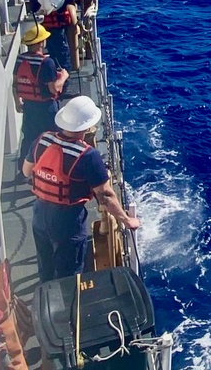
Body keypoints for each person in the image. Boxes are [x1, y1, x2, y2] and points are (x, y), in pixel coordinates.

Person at [23, 95, 140, 283]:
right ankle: (68, 310)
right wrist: (127, 220)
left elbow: (26, 171)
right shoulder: (88, 156)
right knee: (68, 273)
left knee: (45, 267)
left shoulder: (42, 140)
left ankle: (46, 302)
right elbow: (106, 196)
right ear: (86, 128)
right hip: (68, 221)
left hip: (39, 213)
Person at [13, 23, 68, 162]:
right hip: (47, 108)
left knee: (29, 138)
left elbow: (15, 84)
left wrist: (17, 103)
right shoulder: (47, 62)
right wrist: (64, 76)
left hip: (29, 106)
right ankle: (53, 165)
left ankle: (23, 168)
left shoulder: (20, 59)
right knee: (54, 137)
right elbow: (54, 88)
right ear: (41, 43)